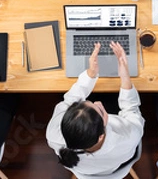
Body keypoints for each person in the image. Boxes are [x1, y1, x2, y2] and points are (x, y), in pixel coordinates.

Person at [46, 41, 144, 178]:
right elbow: (132, 110)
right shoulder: (127, 137)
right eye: (101, 111)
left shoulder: (53, 135)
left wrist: (91, 73)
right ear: (101, 136)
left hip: (84, 172)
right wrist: (124, 74)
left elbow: (69, 100)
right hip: (117, 168)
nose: (98, 102)